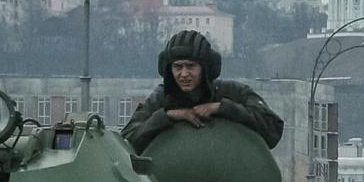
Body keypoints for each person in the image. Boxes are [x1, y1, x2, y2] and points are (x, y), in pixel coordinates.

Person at [122, 30, 284, 155]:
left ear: (205, 69)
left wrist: (223, 108)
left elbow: (272, 129)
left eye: (191, 66)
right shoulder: (161, 99)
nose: (184, 74)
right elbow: (126, 142)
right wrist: (167, 116)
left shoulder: (233, 92)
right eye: (177, 67)